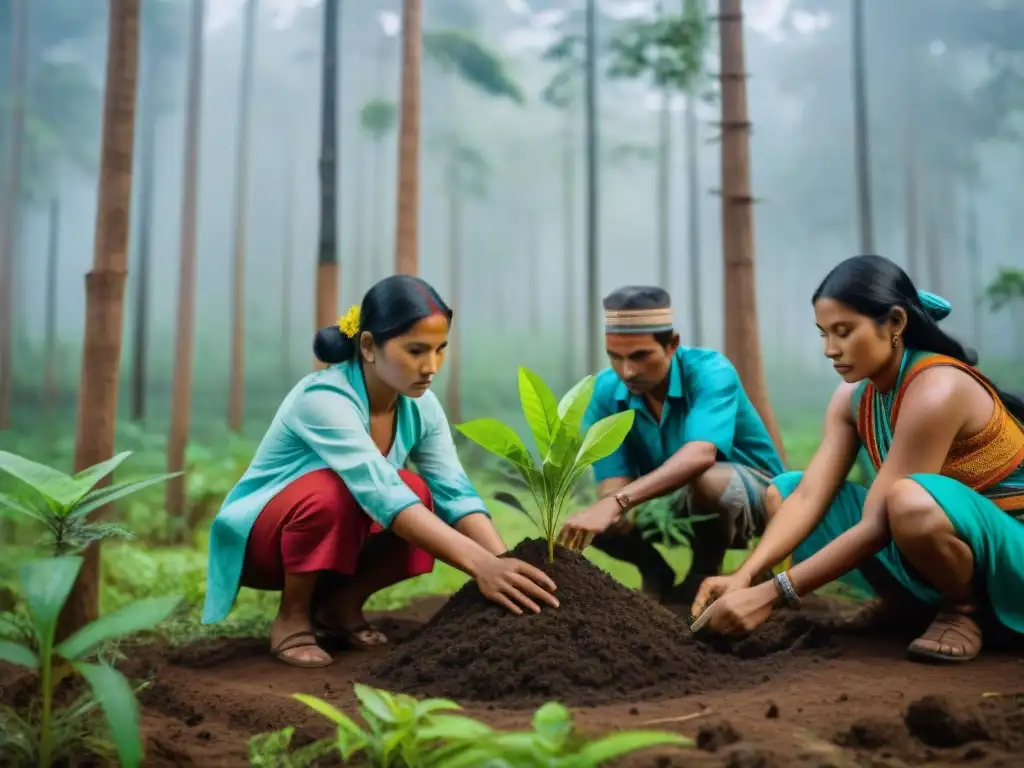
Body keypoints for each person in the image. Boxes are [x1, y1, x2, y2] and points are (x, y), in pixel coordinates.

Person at [202, 275, 559, 668]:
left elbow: (454, 492)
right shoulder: (322, 399)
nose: (431, 366)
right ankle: (292, 617)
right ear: (369, 346)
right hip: (265, 543)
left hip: (339, 535)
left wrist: (505, 563)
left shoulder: (421, 405)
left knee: (420, 492)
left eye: (441, 350)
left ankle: (339, 606)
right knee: (335, 491)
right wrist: (481, 567)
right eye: (416, 350)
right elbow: (381, 492)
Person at [690, 254, 1024, 663]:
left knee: (908, 502)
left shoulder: (938, 388)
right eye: (823, 334)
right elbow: (810, 496)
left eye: (844, 332)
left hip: (1011, 549)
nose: (831, 349)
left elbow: (878, 522)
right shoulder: (853, 397)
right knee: (784, 492)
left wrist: (770, 595)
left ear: (896, 323)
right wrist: (744, 576)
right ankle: (905, 604)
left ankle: (964, 611)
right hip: (940, 541)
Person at [557, 286, 786, 604]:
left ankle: (703, 571)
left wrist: (617, 502)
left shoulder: (710, 372)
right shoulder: (605, 393)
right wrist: (608, 506)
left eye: (640, 356)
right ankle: (655, 571)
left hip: (760, 498)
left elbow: (701, 456)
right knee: (590, 518)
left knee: (704, 479)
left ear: (672, 345)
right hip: (671, 498)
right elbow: (613, 484)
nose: (627, 371)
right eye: (615, 357)